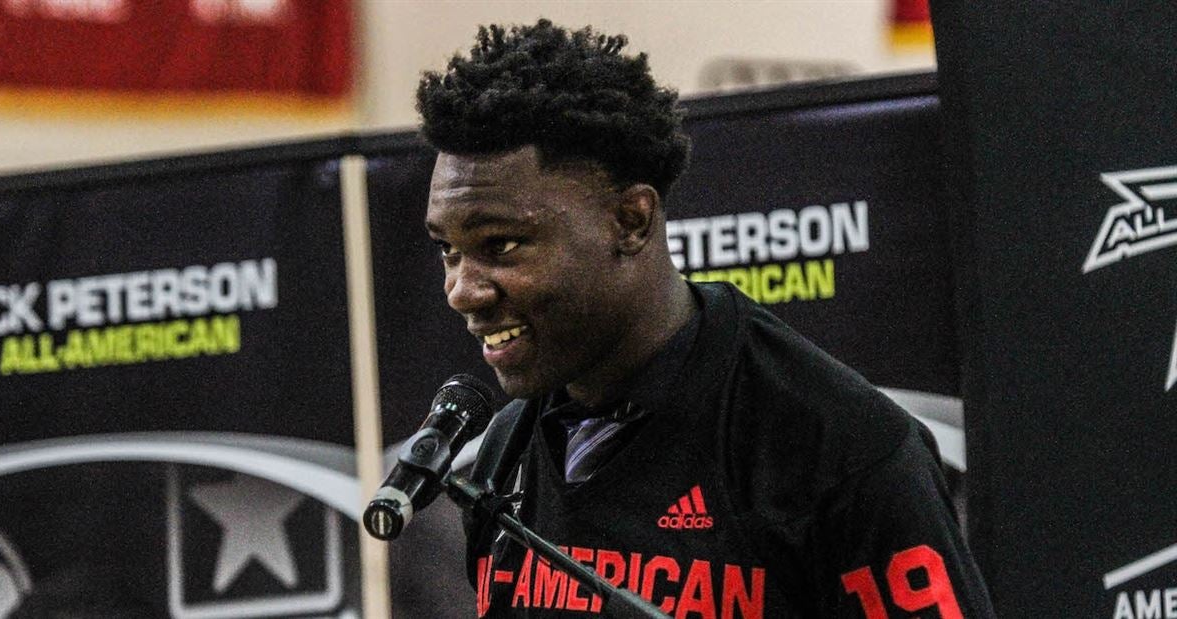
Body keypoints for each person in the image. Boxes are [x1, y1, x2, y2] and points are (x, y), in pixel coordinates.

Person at [418, 19, 995, 618]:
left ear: (631, 221)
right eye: (448, 250)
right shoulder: (506, 449)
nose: (461, 291)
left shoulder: (842, 449)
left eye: (502, 244)